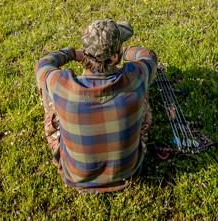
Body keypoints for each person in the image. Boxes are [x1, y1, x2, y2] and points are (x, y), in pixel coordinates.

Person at [35, 19, 158, 193]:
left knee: (50, 99)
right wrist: (127, 51)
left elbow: (42, 65)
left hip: (75, 176)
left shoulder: (61, 85)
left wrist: (72, 53)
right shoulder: (136, 75)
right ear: (115, 57)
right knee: (144, 100)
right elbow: (149, 56)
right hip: (129, 172)